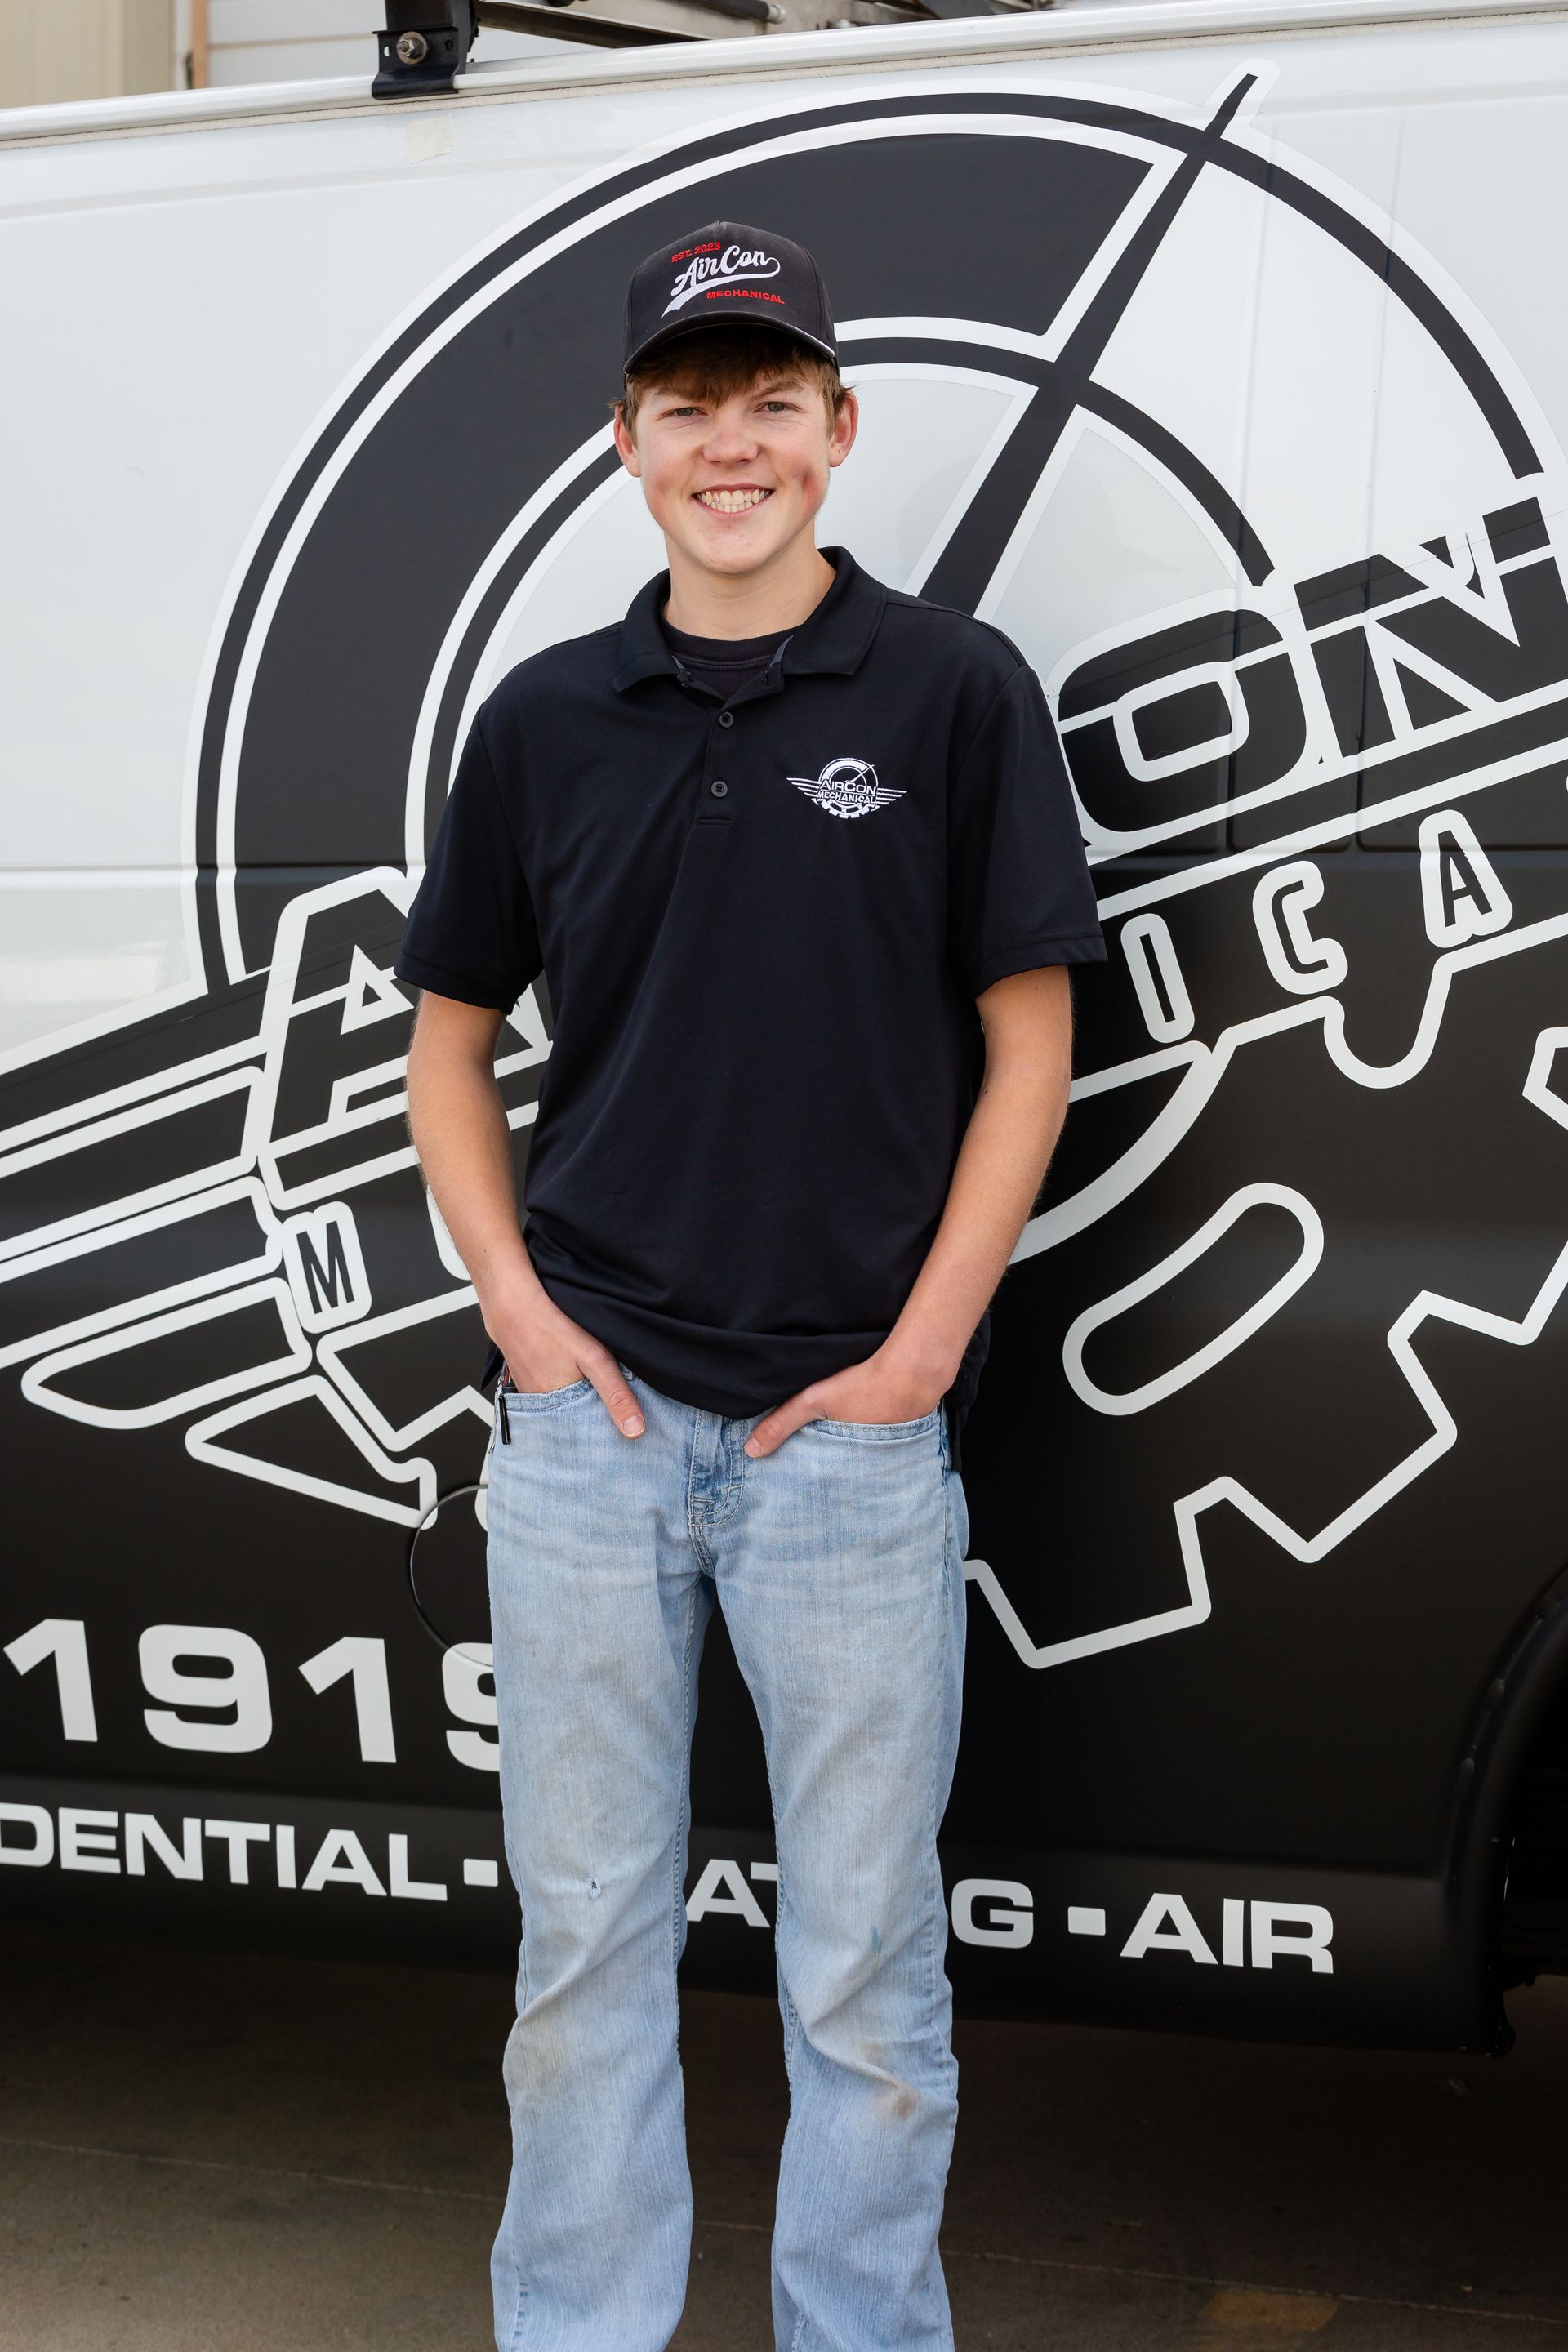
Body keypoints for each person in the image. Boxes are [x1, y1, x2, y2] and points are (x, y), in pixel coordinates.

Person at [394, 219, 1105, 2352]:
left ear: (837, 432)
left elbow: (1034, 1036)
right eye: (691, 406)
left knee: (866, 1975)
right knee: (587, 1955)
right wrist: (519, 1309)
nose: (734, 445)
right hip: (589, 1438)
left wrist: (920, 1354)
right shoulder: (548, 721)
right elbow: (447, 1041)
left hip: (850, 1459)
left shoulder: (953, 694)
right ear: (629, 442)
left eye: (771, 401)